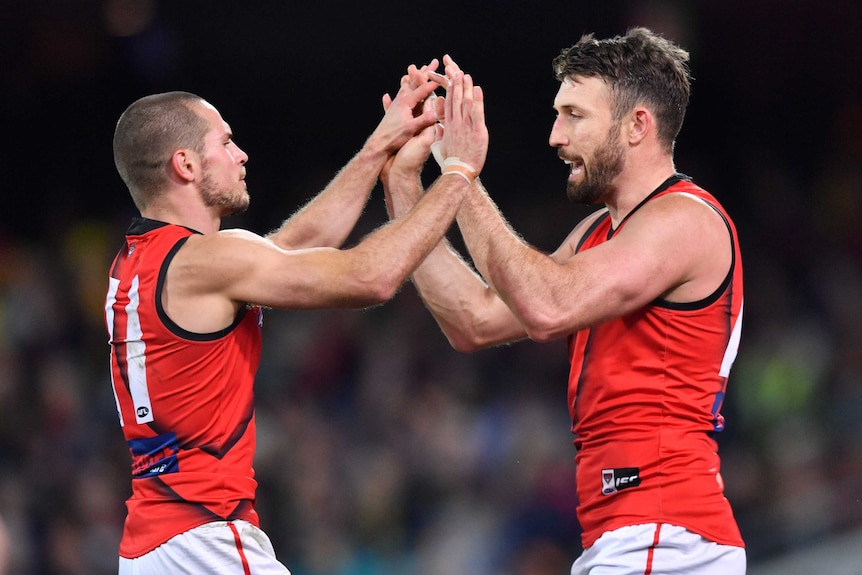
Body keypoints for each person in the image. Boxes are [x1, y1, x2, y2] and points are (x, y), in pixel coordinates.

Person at [383, 29, 746, 575]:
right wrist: (406, 185)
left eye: (574, 115)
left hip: (667, 535)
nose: (555, 136)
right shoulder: (596, 233)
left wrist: (461, 174)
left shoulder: (686, 221)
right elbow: (473, 321)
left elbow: (546, 308)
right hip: (629, 537)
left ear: (637, 126)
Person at [105, 60, 487, 574]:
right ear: (186, 165)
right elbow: (371, 276)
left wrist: (378, 146)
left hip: (153, 546)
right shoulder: (209, 260)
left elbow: (291, 246)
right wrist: (459, 173)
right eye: (225, 142)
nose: (241, 155)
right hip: (207, 540)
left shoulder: (141, 261)